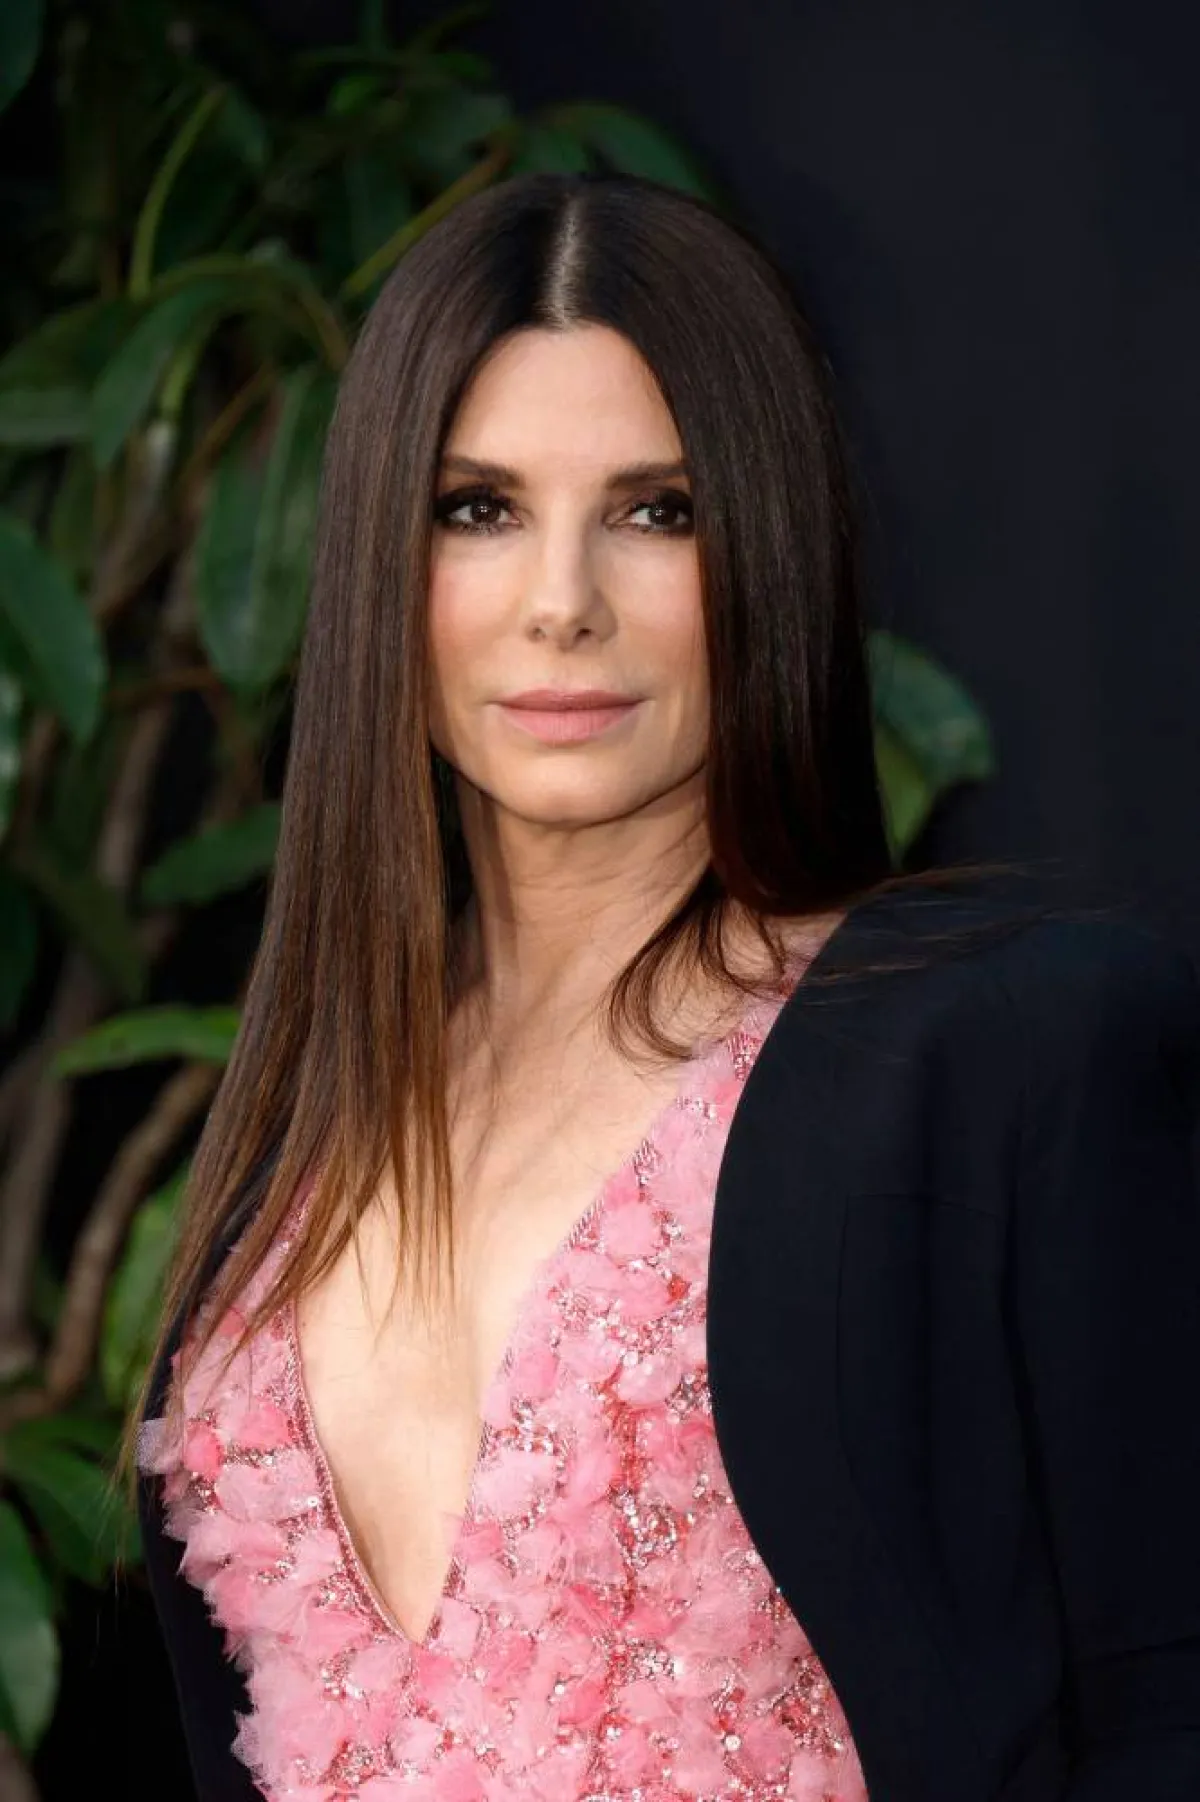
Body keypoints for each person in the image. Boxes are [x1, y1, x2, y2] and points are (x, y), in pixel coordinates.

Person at [133, 172, 1200, 1802]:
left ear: (765, 544)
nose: (562, 599)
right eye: (477, 507)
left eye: (658, 509)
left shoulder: (1009, 1051)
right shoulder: (291, 1139)